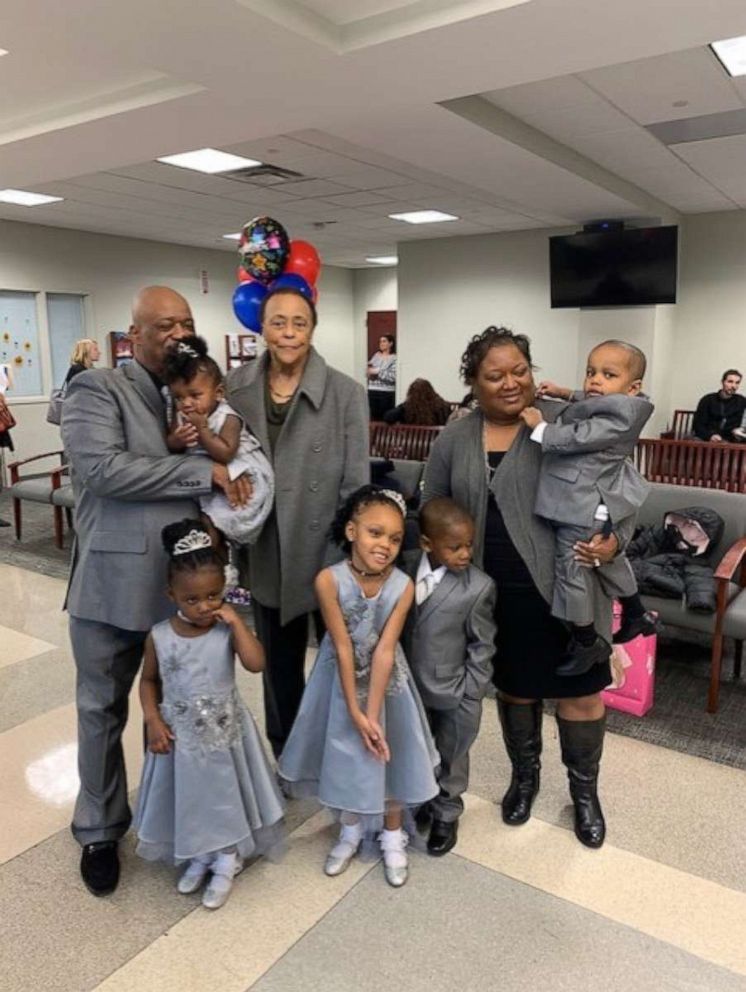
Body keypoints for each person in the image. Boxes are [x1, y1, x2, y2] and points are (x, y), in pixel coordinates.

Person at [61, 285, 250, 896]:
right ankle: (99, 829)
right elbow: (101, 470)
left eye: (187, 322)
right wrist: (203, 469)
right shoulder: (97, 389)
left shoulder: (189, 393)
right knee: (101, 711)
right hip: (111, 589)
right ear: (133, 334)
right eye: (164, 324)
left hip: (182, 595)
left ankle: (176, 819)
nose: (177, 333)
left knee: (182, 714)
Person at [423, 326, 638, 850]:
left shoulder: (566, 421)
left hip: (571, 587)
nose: (511, 382)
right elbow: (433, 506)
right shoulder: (455, 437)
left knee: (582, 695)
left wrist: (613, 542)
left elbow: (620, 487)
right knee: (516, 687)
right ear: (473, 383)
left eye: (520, 370)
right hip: (492, 594)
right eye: (494, 375)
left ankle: (584, 794)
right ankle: (525, 777)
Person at [226, 287, 369, 759]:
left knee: (338, 659)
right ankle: (286, 749)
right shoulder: (235, 387)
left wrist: (352, 557)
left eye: (299, 323)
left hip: (326, 548)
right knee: (279, 665)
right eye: (278, 322)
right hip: (267, 545)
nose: (289, 333)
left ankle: (337, 749)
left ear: (313, 327)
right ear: (261, 327)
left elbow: (355, 485)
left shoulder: (346, 392)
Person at [278, 486, 438, 888]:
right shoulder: (328, 581)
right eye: (375, 532)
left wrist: (373, 712)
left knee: (390, 753)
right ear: (352, 531)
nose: (384, 544)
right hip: (339, 684)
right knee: (347, 752)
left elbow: (386, 649)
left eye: (395, 538)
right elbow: (344, 646)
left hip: (389, 687)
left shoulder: (402, 585)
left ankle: (392, 835)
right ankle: (349, 829)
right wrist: (355, 709)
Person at [134, 519, 285, 910]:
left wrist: (236, 622)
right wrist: (152, 718)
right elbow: (148, 681)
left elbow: (256, 663)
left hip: (225, 735)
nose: (204, 607)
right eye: (192, 600)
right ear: (172, 594)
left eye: (214, 596)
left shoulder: (224, 630)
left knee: (225, 794)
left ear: (226, 589)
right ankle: (201, 853)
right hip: (181, 737)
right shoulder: (159, 636)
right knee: (192, 797)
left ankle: (227, 858)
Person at [521, 340, 660, 675]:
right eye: (590, 372)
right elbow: (592, 401)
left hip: (580, 503)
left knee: (571, 568)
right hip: (588, 504)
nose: (594, 380)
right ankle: (636, 611)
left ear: (633, 387)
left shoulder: (620, 416)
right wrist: (565, 392)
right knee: (604, 561)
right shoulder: (623, 402)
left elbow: (581, 435)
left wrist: (540, 427)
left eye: (607, 374)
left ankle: (587, 641)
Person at [401, 497, 496, 856]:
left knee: (453, 752)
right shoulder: (405, 568)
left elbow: (482, 645)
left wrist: (471, 691)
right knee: (416, 748)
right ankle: (420, 799)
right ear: (427, 544)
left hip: (453, 687)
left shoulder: (478, 586)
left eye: (469, 545)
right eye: (454, 547)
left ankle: (446, 811)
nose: (464, 554)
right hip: (408, 685)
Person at [163, 335, 274, 547]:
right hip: (205, 474)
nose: (186, 404)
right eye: (179, 397)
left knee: (216, 521)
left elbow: (225, 453)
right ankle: (211, 555)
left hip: (240, 468)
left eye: (195, 396)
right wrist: (177, 439)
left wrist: (203, 429)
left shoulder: (227, 417)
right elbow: (170, 445)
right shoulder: (180, 415)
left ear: (219, 393)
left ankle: (216, 556)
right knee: (205, 520)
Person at [692, 370, 746, 442]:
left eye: (737, 383)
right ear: (722, 382)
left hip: (731, 440)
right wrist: (710, 436)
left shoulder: (741, 401)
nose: (734, 386)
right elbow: (698, 425)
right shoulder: (708, 400)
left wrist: (741, 431)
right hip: (707, 438)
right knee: (694, 441)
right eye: (730, 381)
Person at [383, 378, 451, 426]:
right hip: (436, 442)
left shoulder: (407, 408)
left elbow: (388, 417)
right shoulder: (442, 406)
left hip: (413, 442)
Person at [367, 334, 397, 420]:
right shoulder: (376, 355)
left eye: (384, 341)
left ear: (390, 343)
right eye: (380, 341)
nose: (381, 343)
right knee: (373, 417)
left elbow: (392, 376)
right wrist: (372, 371)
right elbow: (368, 370)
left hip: (386, 392)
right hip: (372, 390)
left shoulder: (394, 358)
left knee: (385, 418)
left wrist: (377, 371)